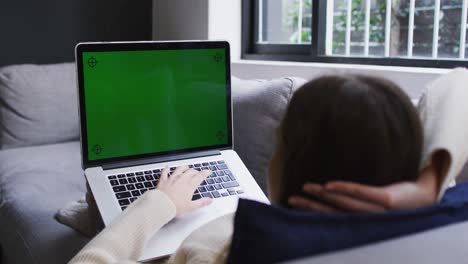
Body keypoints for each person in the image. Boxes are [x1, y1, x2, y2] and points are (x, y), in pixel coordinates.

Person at [70, 74, 450, 264]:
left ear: (288, 165)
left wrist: (159, 202)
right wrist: (430, 187)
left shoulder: (217, 248)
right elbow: (458, 84)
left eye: (278, 144)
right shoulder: (439, 231)